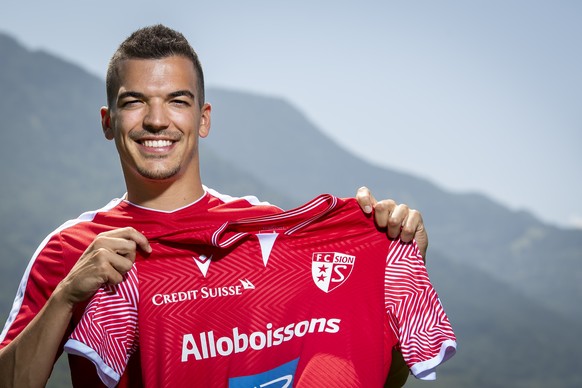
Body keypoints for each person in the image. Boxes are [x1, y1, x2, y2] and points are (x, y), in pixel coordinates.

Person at [0, 25, 429, 387]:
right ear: (108, 121)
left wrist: (394, 274)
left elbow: (364, 373)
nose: (155, 120)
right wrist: (64, 297)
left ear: (203, 118)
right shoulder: (71, 248)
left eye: (177, 100)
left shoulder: (267, 230)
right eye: (134, 102)